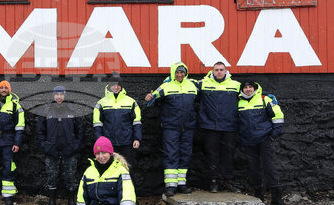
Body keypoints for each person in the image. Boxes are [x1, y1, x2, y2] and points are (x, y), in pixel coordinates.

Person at [144, 62, 198, 197]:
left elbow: (211, 81)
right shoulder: (166, 86)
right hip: (171, 127)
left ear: (185, 73)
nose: (180, 75)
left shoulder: (193, 85)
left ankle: (182, 184)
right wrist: (148, 98)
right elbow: (150, 101)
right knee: (171, 154)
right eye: (177, 72)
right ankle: (170, 186)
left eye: (182, 72)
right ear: (173, 73)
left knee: (185, 154)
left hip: (188, 127)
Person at [236, 81, 288, 205]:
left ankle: (276, 198)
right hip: (248, 141)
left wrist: (273, 135)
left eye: (250, 87)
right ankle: (259, 196)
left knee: (270, 168)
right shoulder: (238, 102)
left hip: (264, 139)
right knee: (253, 169)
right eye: (245, 88)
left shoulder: (265, 99)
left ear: (254, 88)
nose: (248, 90)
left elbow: (278, 116)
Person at [37, 85, 84, 205]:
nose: (59, 97)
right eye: (56, 94)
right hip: (51, 151)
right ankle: (52, 201)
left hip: (69, 151)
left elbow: (80, 131)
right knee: (51, 177)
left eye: (61, 94)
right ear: (53, 96)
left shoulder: (72, 110)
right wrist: (45, 146)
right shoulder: (46, 111)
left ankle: (71, 201)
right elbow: (40, 132)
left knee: (70, 177)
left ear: (65, 95)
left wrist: (75, 146)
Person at [197, 62, 241, 193]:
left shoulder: (236, 85)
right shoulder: (203, 83)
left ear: (226, 71)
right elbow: (181, 84)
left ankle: (229, 181)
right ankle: (213, 182)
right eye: (216, 70)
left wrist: (267, 97)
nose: (219, 72)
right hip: (210, 126)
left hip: (229, 126)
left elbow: (252, 92)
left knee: (229, 155)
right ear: (212, 71)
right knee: (212, 155)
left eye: (221, 70)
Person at [92, 76, 142, 180]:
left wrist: (137, 138)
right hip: (108, 143)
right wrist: (99, 140)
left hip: (127, 142)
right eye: (113, 85)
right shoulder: (101, 103)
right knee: (108, 169)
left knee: (128, 168)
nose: (116, 87)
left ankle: (129, 193)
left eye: (118, 85)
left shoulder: (131, 102)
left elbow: (136, 122)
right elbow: (97, 123)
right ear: (109, 86)